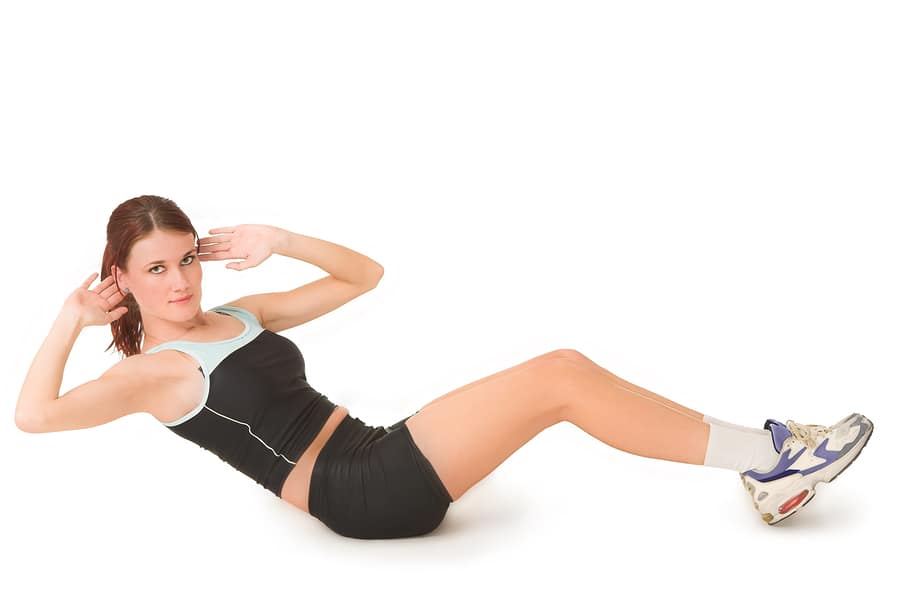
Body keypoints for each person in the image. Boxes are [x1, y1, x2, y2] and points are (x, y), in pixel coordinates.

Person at [15, 194, 874, 539]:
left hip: (370, 449)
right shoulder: (154, 375)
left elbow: (363, 277)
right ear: (119, 278)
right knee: (560, 375)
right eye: (154, 270)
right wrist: (67, 318)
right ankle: (772, 460)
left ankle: (768, 457)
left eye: (185, 260)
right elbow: (34, 417)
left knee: (560, 374)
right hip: (355, 492)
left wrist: (281, 242)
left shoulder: (233, 313)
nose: (177, 283)